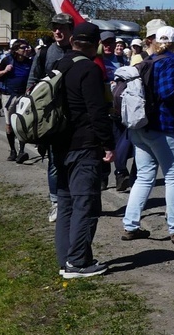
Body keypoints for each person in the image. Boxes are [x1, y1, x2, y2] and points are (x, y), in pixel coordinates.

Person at [122, 26, 174, 244]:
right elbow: (167, 91)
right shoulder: (169, 61)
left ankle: (131, 225)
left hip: (141, 126)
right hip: (164, 126)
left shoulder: (148, 61)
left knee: (144, 176)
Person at [52, 21, 114, 278]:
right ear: (95, 43)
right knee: (85, 204)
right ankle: (78, 263)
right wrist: (108, 144)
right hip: (84, 145)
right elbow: (96, 111)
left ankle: (66, 259)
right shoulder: (88, 69)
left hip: (60, 144)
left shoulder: (61, 64)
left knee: (66, 203)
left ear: (74, 40)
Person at [27, 13, 74, 222]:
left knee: (74, 161)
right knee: (54, 162)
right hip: (51, 118)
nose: (57, 31)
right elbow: (33, 79)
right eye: (55, 27)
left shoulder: (77, 52)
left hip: (73, 115)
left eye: (62, 28)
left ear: (70, 30)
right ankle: (56, 203)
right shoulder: (45, 52)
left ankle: (73, 200)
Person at [0, 39, 33, 163]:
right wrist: (5, 71)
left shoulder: (30, 62)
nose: (27, 49)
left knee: (21, 124)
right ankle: (12, 150)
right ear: (16, 50)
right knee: (10, 125)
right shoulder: (7, 60)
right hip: (9, 96)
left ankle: (21, 151)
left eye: (27, 47)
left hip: (24, 96)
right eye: (23, 47)